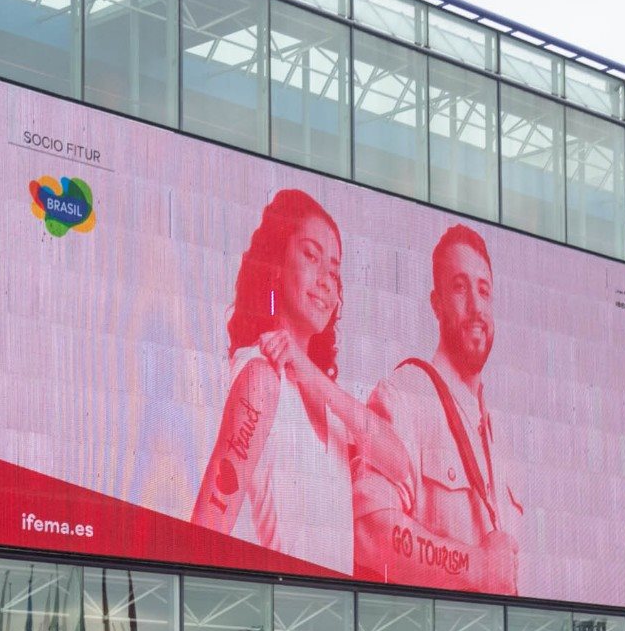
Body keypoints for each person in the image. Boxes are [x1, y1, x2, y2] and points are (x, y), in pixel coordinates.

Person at [188, 189, 409, 575]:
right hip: (283, 617)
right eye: (311, 256)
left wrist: (308, 373)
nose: (326, 281)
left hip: (334, 618)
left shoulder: (328, 400)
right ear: (276, 263)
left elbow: (399, 462)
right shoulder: (261, 378)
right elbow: (208, 525)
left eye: (336, 273)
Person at [354, 224, 521, 593]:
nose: (476, 307)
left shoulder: (500, 439)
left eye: (484, 290)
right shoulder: (403, 396)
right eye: (460, 288)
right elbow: (368, 532)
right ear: (437, 303)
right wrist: (477, 568)